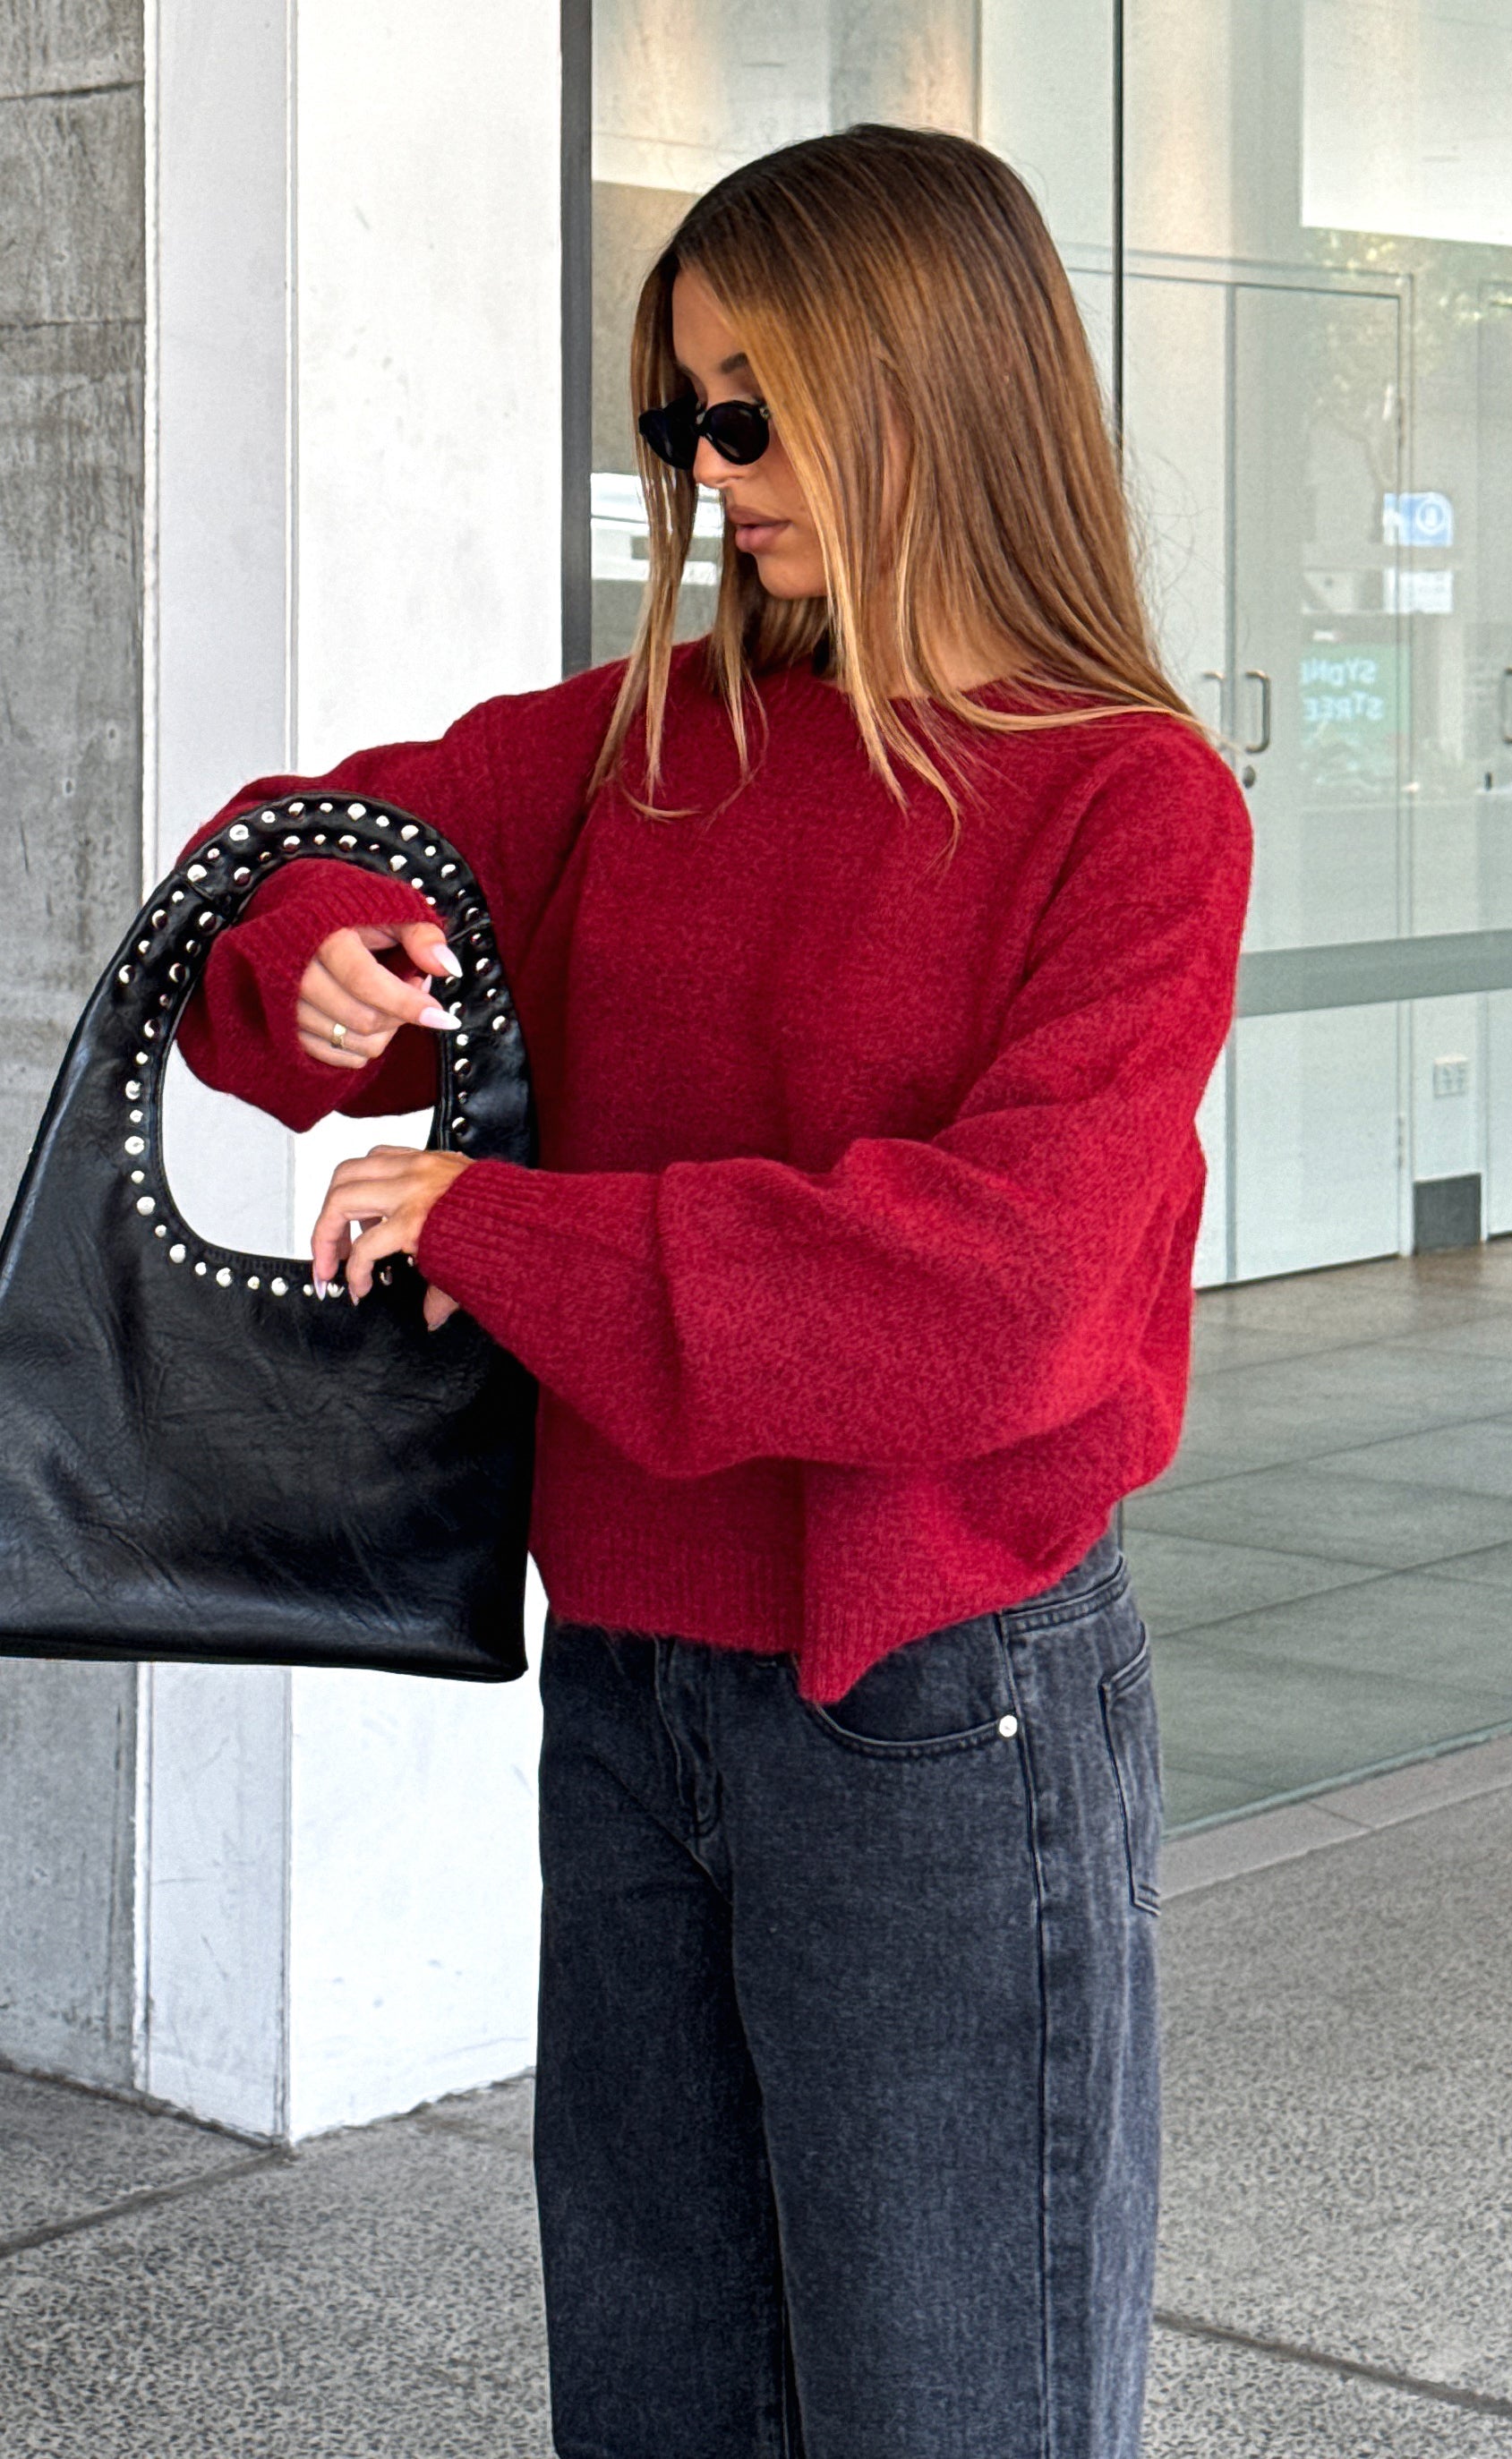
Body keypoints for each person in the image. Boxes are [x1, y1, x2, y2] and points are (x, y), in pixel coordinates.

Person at [176, 123, 1250, 2459]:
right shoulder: (639, 744)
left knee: (952, 2402)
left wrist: (497, 1225)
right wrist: (319, 949)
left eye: (751, 410)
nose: (705, 467)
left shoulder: (1127, 802)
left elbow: (995, 1298)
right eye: (681, 413)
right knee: (657, 2394)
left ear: (927, 390)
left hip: (934, 1697)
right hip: (631, 1682)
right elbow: (281, 858)